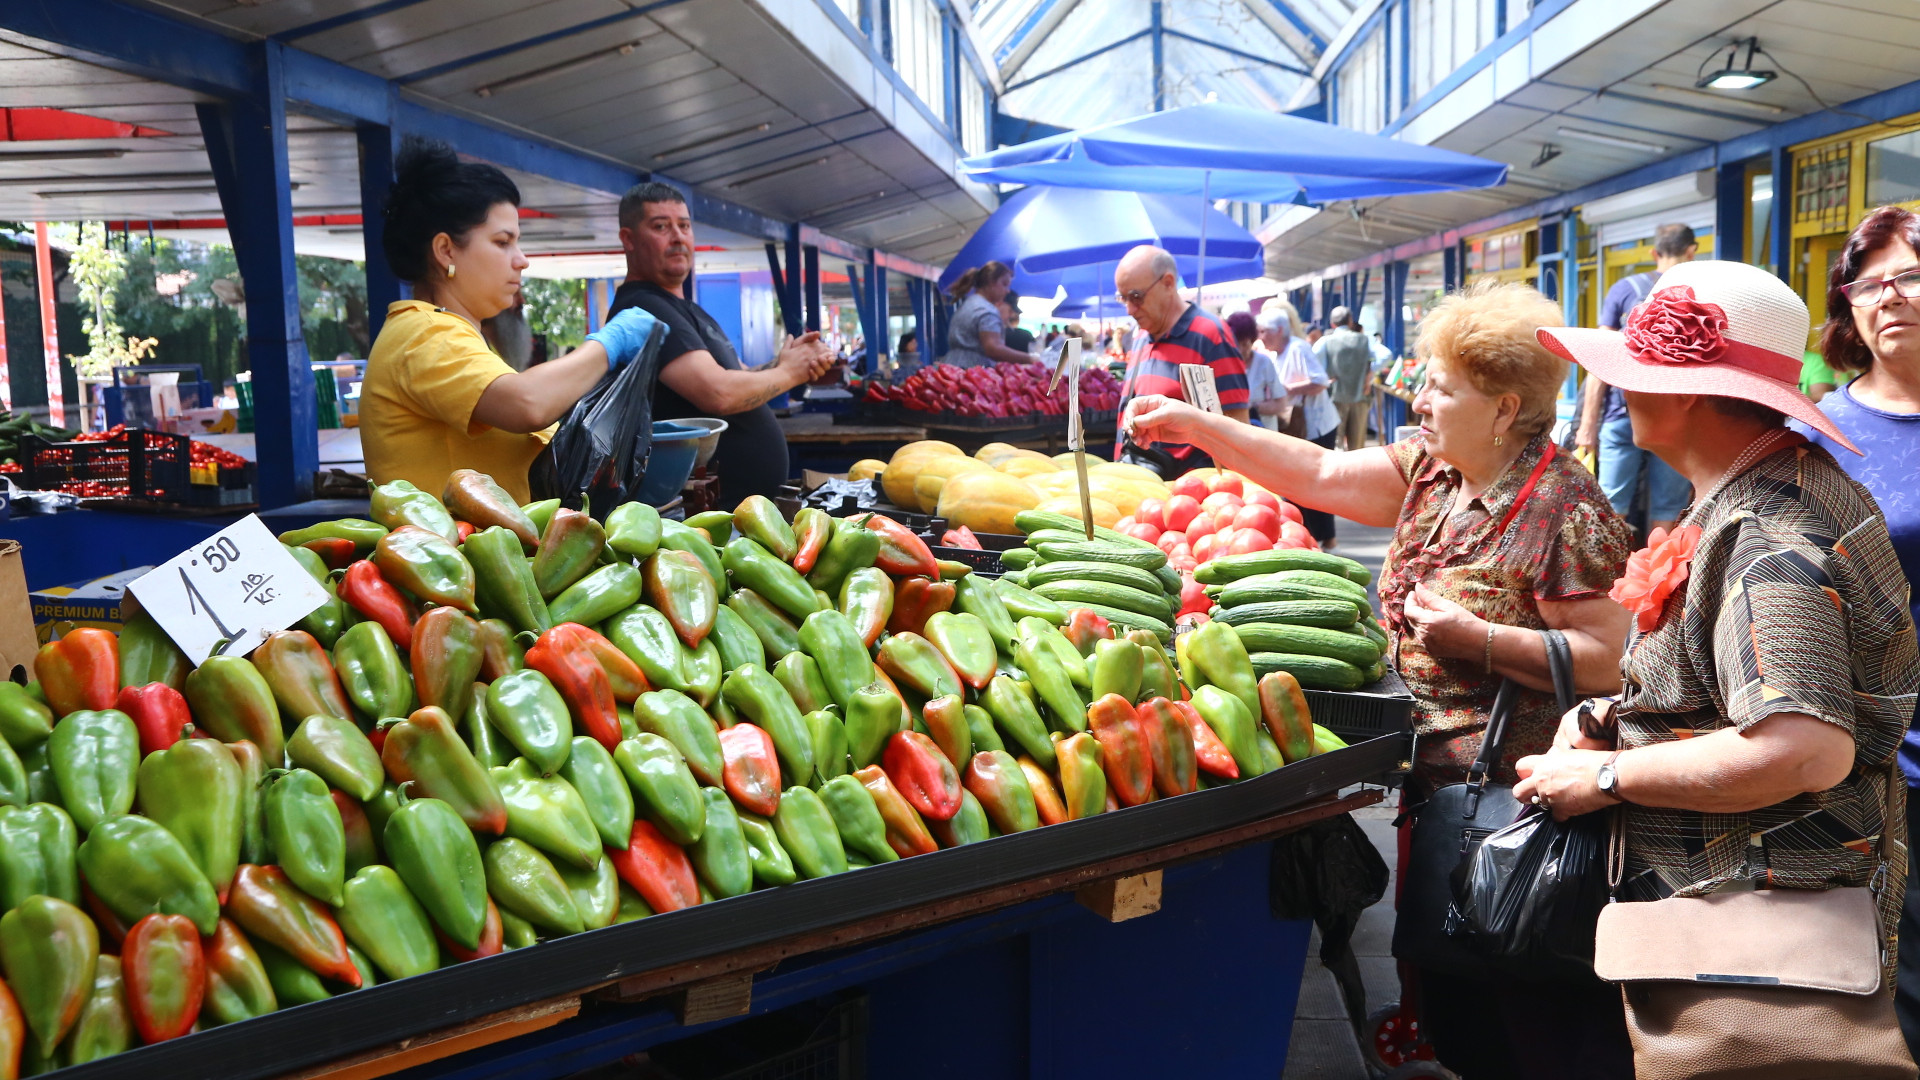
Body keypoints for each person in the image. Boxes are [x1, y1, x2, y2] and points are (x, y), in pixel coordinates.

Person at [1124, 281, 1634, 1075]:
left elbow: (1613, 655)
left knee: (1522, 1008)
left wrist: (1481, 639)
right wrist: (1203, 427)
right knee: (1459, 999)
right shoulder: (1437, 471)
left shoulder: (1559, 505)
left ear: (1505, 409)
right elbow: (1322, 471)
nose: (1417, 399)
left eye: (1439, 386)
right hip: (1440, 794)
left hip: (1517, 809)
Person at [1524, 259, 1914, 1060]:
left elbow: (1803, 747)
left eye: (1634, 374)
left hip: (1758, 922)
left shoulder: (1765, 530)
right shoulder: (1767, 488)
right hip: (1741, 904)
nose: (1620, 392)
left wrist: (1603, 778)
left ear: (1690, 391)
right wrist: (1606, 720)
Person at [361, 137, 661, 503]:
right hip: (451, 555)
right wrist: (608, 344)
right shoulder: (425, 333)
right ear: (446, 250)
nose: (522, 260)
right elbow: (527, 403)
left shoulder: (452, 334)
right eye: (503, 242)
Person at [1791, 205, 1920, 1055]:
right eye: (1870, 283)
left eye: (1911, 276)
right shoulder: (1818, 433)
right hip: (1877, 764)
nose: (1889, 297)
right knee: (1890, 998)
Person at [603, 182, 833, 503]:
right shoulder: (642, 308)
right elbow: (719, 394)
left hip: (738, 509)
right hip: (704, 515)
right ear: (628, 239)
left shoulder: (686, 309)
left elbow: (738, 379)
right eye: (661, 226)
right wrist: (792, 373)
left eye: (684, 225)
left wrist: (784, 363)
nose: (678, 236)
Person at [1576, 223, 1697, 535]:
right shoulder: (1700, 294)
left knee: (1611, 506)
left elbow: (1599, 362)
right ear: (1691, 251)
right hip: (1678, 418)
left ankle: (1608, 575)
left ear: (1654, 253)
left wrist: (1588, 426)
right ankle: (1660, 581)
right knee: (1669, 507)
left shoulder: (1625, 289)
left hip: (1623, 413)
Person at [1112, 245, 1249, 476]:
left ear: (1168, 283)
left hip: (1184, 495)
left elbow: (1238, 429)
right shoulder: (1142, 335)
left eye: (1136, 297)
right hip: (1137, 484)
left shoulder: (1211, 335)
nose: (1129, 309)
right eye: (1122, 298)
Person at [1256, 306, 1340, 547]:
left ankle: (1327, 538)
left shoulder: (1298, 347)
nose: (1261, 337)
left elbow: (1320, 381)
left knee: (1318, 482)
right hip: (1297, 427)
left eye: (1265, 331)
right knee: (1302, 483)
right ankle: (1311, 535)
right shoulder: (1272, 354)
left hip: (1317, 425)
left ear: (1280, 330)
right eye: (1259, 331)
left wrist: (1290, 390)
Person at [945, 262, 1031, 367]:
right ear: (990, 282)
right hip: (973, 371)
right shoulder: (986, 310)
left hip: (953, 367)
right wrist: (1030, 358)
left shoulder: (970, 303)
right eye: (1004, 284)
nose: (1007, 291)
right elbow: (993, 349)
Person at [1317, 306, 1374, 451]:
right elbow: (1385, 355)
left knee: (1336, 443)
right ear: (1350, 321)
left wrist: (1326, 379)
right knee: (1357, 445)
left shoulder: (1326, 341)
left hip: (1335, 398)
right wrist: (1369, 372)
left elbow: (1314, 361)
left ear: (1332, 324)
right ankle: (1357, 473)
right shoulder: (1365, 340)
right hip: (1360, 396)